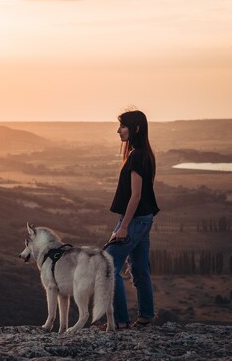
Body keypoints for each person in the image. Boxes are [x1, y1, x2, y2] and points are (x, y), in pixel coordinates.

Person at [105, 109, 160, 329]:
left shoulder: (137, 155)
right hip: (143, 219)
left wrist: (123, 227)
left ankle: (120, 321)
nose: (118, 130)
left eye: (123, 126)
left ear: (135, 128)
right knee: (139, 267)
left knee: (109, 264)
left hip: (135, 220)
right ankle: (146, 316)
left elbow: (136, 196)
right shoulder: (143, 152)